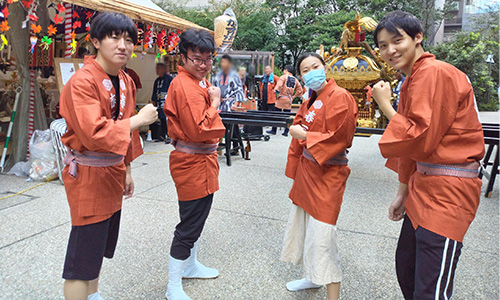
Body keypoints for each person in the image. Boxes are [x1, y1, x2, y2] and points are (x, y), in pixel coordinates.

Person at [371, 11, 484, 300]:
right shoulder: (412, 79)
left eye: (397, 41)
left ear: (418, 37)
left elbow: (419, 138)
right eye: (383, 45)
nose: (390, 50)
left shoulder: (435, 72)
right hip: (423, 187)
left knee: (430, 289)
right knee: (407, 269)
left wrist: (385, 106)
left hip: (448, 192)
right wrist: (403, 192)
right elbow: (411, 146)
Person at [59, 12, 158, 300]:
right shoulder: (81, 82)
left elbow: (124, 134)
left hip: (112, 172)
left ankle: (94, 295)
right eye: (114, 37)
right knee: (82, 254)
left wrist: (127, 169)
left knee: (98, 245)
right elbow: (95, 132)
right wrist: (139, 120)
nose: (123, 45)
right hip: (88, 174)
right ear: (96, 41)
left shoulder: (125, 80)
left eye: (129, 40)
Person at [281, 52, 358, 300]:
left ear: (325, 68)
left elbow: (341, 136)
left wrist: (305, 137)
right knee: (305, 230)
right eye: (305, 69)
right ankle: (311, 277)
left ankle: (332, 293)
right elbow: (298, 129)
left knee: (323, 238)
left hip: (329, 175)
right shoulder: (309, 101)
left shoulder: (340, 96)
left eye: (316, 66)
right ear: (301, 76)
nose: (311, 71)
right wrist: (294, 169)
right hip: (308, 172)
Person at [163, 28, 226, 300]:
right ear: (183, 57)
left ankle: (190, 266)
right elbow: (200, 129)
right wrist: (215, 103)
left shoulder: (196, 81)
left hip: (202, 160)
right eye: (196, 59)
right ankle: (172, 285)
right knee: (188, 225)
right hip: (192, 162)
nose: (203, 65)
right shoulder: (186, 85)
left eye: (208, 59)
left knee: (196, 220)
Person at [213, 54, 245, 154]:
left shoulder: (234, 76)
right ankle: (217, 146)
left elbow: (239, 91)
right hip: (220, 104)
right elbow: (213, 88)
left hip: (230, 103)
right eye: (222, 62)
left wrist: (236, 104)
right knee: (220, 125)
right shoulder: (217, 76)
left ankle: (235, 147)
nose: (223, 64)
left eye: (225, 62)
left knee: (232, 126)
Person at [271, 65, 304, 136]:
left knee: (276, 114)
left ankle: (274, 130)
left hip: (281, 98)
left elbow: (278, 86)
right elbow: (300, 90)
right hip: (288, 99)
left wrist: (276, 91)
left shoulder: (283, 77)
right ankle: (286, 131)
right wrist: (293, 97)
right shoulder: (295, 79)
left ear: (286, 70)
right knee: (287, 115)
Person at [152, 63, 173, 143]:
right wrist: (154, 101)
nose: (157, 70)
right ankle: (162, 135)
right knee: (161, 119)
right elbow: (154, 92)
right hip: (159, 102)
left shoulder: (169, 79)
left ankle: (169, 136)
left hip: (166, 102)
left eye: (159, 69)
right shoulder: (157, 81)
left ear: (163, 69)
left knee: (167, 119)